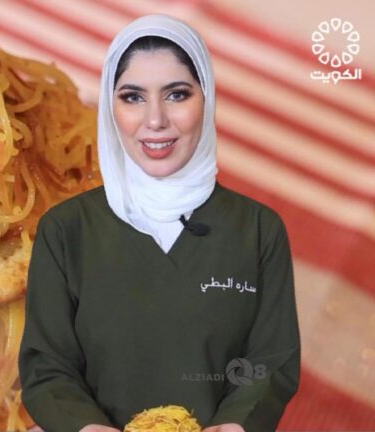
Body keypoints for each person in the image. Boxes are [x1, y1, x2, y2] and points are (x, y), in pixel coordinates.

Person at [18, 14, 301, 432]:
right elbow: (46, 368)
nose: (155, 120)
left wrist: (235, 424)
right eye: (133, 97)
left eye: (177, 94)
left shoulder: (259, 231)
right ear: (110, 107)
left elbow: (271, 361)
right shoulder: (65, 230)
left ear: (207, 98)